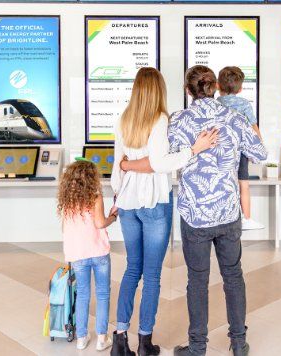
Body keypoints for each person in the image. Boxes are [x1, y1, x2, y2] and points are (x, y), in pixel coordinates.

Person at [110, 67, 218, 356]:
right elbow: (160, 163)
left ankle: (119, 339)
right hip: (155, 201)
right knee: (153, 275)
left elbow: (117, 165)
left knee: (132, 269)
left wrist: (118, 196)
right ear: (158, 89)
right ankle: (145, 342)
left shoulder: (124, 119)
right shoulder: (160, 119)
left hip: (128, 202)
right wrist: (194, 149)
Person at [171, 65, 267, 356]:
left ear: (188, 90)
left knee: (197, 281)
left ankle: (197, 348)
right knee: (233, 276)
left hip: (195, 214)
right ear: (214, 87)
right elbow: (261, 154)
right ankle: (238, 343)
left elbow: (170, 161)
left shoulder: (178, 120)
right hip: (227, 212)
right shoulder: (235, 117)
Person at [57, 159, 118, 351]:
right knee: (103, 294)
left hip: (78, 254)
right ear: (92, 178)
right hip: (99, 252)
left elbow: (66, 230)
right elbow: (100, 223)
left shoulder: (67, 200)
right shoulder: (95, 196)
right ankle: (102, 338)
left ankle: (82, 338)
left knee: (82, 295)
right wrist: (113, 217)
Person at [217, 66, 264, 231]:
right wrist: (259, 147)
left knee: (223, 184)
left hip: (221, 151)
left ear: (217, 85)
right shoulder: (244, 104)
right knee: (244, 184)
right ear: (241, 87)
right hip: (241, 152)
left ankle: (225, 216)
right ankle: (247, 218)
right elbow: (253, 128)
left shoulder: (216, 103)